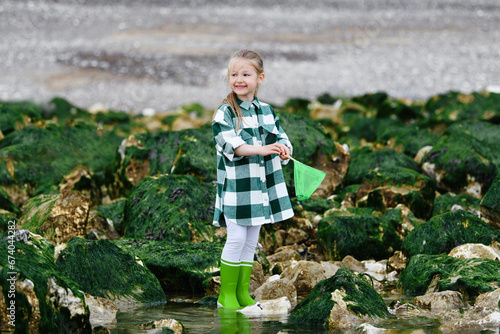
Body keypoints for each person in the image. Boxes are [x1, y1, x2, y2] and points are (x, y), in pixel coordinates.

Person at [212, 49, 294, 309]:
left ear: (260, 77)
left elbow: (282, 138)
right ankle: (226, 296)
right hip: (237, 189)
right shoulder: (224, 114)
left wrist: (283, 150)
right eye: (234, 74)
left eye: (246, 74)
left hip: (260, 189)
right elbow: (233, 147)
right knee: (235, 238)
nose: (239, 79)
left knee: (250, 241)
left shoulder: (268, 111)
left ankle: (242, 294)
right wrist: (263, 149)